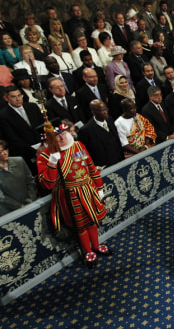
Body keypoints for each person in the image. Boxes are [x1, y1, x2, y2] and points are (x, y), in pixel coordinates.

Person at [37, 121, 112, 268]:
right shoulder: (44, 157)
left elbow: (90, 166)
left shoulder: (78, 146)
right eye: (58, 137)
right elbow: (48, 184)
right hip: (69, 195)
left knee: (92, 220)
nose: (63, 138)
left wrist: (99, 188)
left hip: (87, 189)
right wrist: (53, 162)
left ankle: (96, 245)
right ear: (49, 140)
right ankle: (88, 251)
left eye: (64, 134)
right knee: (81, 226)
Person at [78, 100, 124, 169]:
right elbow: (82, 152)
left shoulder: (110, 120)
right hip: (104, 167)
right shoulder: (86, 130)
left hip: (119, 161)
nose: (105, 112)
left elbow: (117, 140)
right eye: (102, 111)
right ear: (94, 112)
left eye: (106, 109)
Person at [0, 139, 37, 216]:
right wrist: (21, 207)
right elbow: (1, 197)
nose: (5, 153)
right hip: (9, 212)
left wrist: (29, 201)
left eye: (5, 149)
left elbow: (30, 181)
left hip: (30, 204)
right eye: (0, 151)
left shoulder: (19, 160)